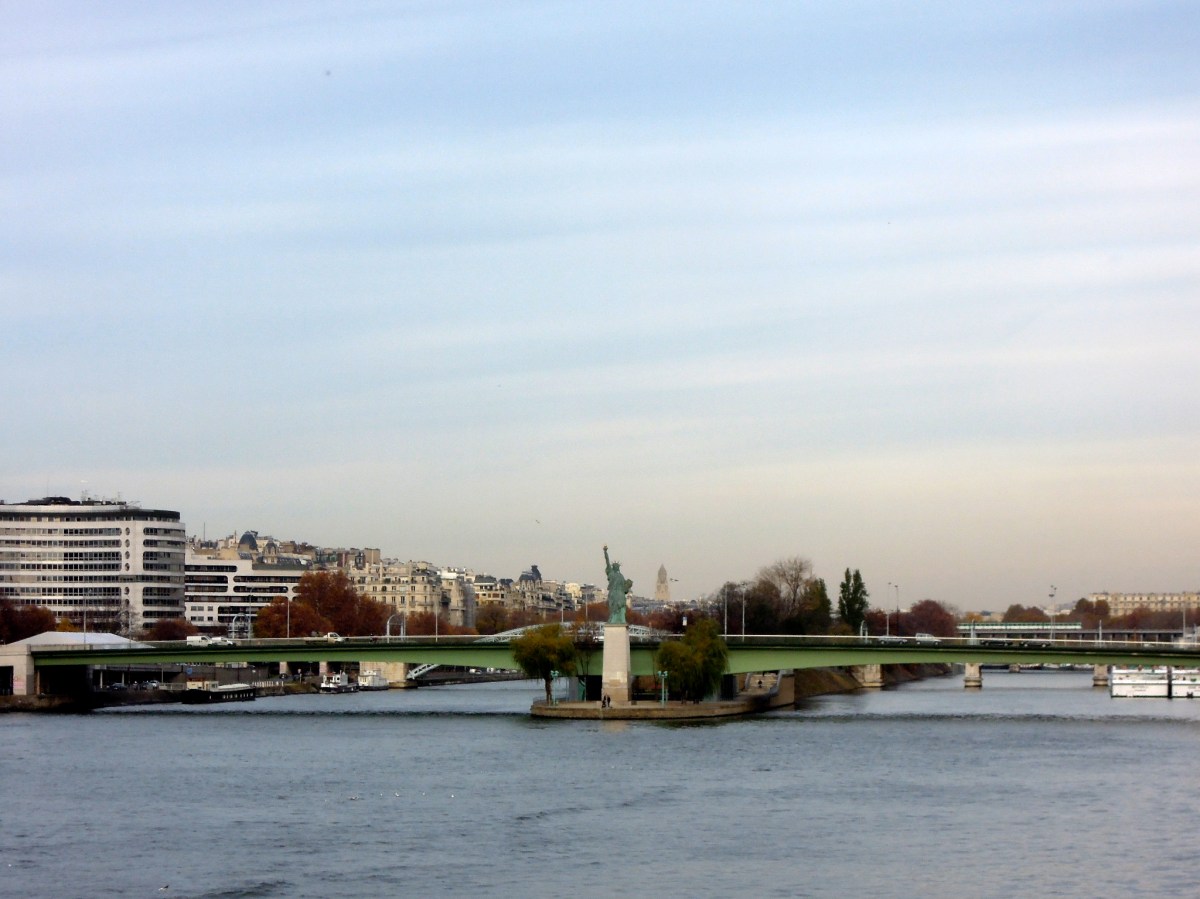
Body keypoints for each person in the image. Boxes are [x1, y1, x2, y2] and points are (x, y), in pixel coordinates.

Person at [603, 544, 633, 625]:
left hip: (613, 594)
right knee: (621, 608)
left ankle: (614, 619)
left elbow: (607, 561)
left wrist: (605, 551)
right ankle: (621, 620)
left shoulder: (612, 573)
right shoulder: (621, 576)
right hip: (620, 595)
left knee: (613, 608)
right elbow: (625, 589)